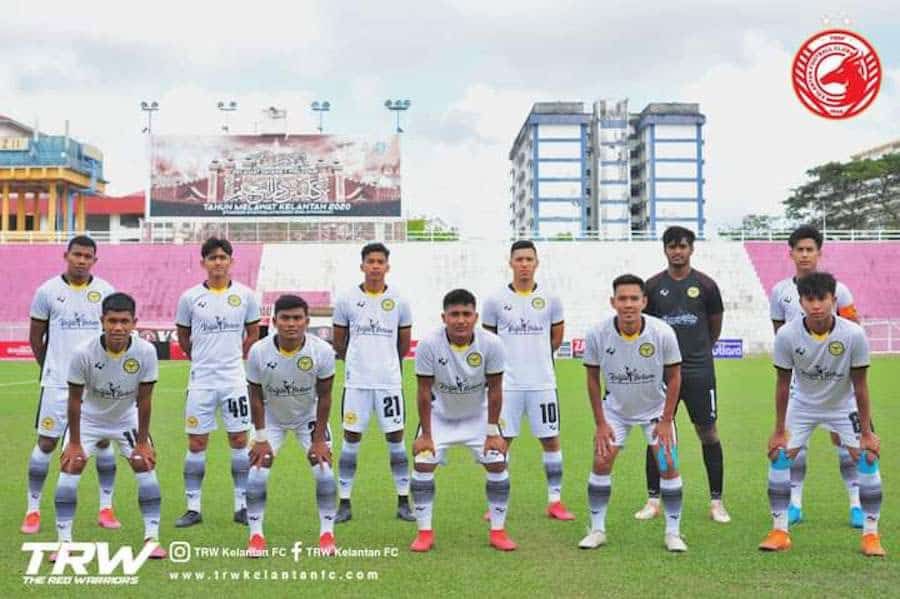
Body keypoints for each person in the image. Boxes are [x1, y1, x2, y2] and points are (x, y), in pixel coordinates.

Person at [759, 272, 884, 557]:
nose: (816, 306)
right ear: (801, 302)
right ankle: (779, 531)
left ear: (834, 300)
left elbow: (861, 386)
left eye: (822, 299)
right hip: (802, 404)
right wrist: (779, 429)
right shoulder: (787, 335)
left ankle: (871, 535)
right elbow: (781, 384)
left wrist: (867, 433)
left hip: (843, 404)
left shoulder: (853, 334)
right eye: (810, 299)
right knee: (779, 454)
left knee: (867, 457)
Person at [52, 292, 166, 560]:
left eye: (124, 321)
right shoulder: (83, 353)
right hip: (89, 419)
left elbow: (146, 399)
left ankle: (152, 538)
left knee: (144, 464)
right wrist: (75, 443)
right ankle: (64, 542)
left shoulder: (145, 352)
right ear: (102, 320)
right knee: (71, 464)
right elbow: (75, 400)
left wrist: (142, 442)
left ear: (134, 322)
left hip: (126, 418)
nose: (118, 327)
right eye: (112, 321)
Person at [579, 275, 687, 552]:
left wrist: (666, 420)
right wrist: (601, 423)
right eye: (622, 299)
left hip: (655, 412)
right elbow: (592, 379)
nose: (628, 304)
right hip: (615, 412)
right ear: (613, 302)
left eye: (634, 299)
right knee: (601, 462)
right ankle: (597, 529)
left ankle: (673, 533)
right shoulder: (597, 334)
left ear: (644, 302)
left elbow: (675, 377)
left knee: (668, 465)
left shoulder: (662, 332)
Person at [22, 235, 119, 534]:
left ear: (94, 260)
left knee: (102, 442)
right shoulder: (47, 291)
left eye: (87, 256)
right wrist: (50, 367)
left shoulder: (105, 291)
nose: (81, 260)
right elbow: (35, 337)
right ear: (66, 255)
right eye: (76, 254)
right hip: (58, 384)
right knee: (47, 443)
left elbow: (113, 336)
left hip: (95, 385)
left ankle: (106, 507)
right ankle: (33, 510)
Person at [769, 224, 864, 528]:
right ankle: (794, 503)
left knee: (847, 444)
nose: (805, 255)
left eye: (811, 249)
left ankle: (856, 504)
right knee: (795, 445)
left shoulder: (840, 290)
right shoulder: (780, 292)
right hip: (801, 383)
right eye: (800, 249)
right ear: (791, 253)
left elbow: (852, 334)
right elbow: (780, 335)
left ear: (819, 253)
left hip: (839, 385)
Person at [635, 226, 730, 524]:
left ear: (692, 249)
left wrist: (699, 351)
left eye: (683, 246)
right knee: (657, 434)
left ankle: (717, 502)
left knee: (708, 432)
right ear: (664, 249)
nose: (678, 251)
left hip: (700, 371)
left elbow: (714, 327)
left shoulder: (706, 285)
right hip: (661, 373)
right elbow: (645, 328)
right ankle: (654, 499)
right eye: (672, 246)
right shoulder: (651, 287)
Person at [409, 289, 516, 552]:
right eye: (454, 314)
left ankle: (498, 531)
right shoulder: (428, 344)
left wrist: (492, 431)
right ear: (444, 317)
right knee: (423, 464)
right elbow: (423, 391)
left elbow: (496, 389)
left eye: (466, 314)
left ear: (476, 317)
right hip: (439, 415)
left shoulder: (491, 344)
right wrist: (425, 434)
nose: (460, 320)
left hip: (478, 415)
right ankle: (424, 533)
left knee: (497, 462)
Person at [482, 240, 573, 520]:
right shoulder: (495, 300)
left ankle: (555, 501)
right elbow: (488, 341)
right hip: (507, 385)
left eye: (529, 259)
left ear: (537, 263)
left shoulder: (551, 299)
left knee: (550, 440)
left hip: (542, 383)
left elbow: (556, 338)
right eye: (519, 259)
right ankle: (496, 502)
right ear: (510, 263)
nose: (524, 264)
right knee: (500, 441)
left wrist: (538, 357)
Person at [174, 237, 260, 527]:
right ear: (203, 263)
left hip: (234, 380)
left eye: (223, 257)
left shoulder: (246, 296)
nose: (218, 262)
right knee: (197, 443)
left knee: (238, 440)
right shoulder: (189, 298)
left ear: (231, 261)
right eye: (212, 258)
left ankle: (241, 505)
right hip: (201, 381)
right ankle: (193, 507)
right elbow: (184, 337)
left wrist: (235, 356)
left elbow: (253, 334)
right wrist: (201, 357)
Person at [244, 295, 338, 557]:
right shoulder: (259, 351)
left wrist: (319, 439)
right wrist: (261, 438)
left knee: (324, 470)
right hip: (271, 417)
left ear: (307, 321)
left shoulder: (322, 351)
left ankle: (327, 533)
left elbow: (326, 396)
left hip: (308, 417)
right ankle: (256, 536)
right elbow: (255, 396)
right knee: (257, 472)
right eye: (285, 318)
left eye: (297, 318)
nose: (291, 324)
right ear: (274, 321)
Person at [332, 243, 414, 523]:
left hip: (389, 383)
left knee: (396, 438)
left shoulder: (400, 300)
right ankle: (344, 501)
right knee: (351, 438)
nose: (376, 266)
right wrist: (357, 364)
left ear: (387, 266)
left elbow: (403, 344)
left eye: (380, 261)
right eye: (371, 261)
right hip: (357, 384)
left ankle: (404, 500)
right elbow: (339, 340)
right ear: (362, 265)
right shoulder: (346, 299)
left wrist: (386, 363)